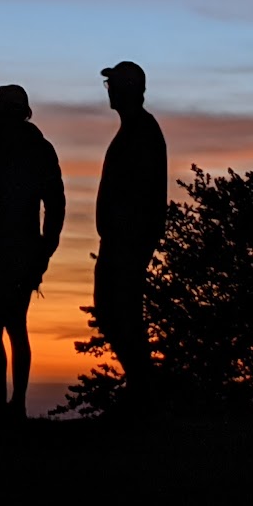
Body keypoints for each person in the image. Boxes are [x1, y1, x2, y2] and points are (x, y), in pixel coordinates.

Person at [0, 84, 65, 420]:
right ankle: (11, 404)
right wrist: (46, 246)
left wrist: (46, 246)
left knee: (1, 328)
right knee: (10, 327)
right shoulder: (34, 147)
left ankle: (10, 404)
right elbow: (56, 202)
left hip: (3, 249)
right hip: (11, 249)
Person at [93, 60, 167, 408]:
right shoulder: (135, 130)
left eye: (113, 85)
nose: (108, 91)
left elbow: (141, 193)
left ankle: (143, 395)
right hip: (120, 240)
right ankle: (140, 393)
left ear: (128, 89)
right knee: (114, 313)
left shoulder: (142, 132)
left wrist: (131, 237)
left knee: (120, 314)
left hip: (128, 242)